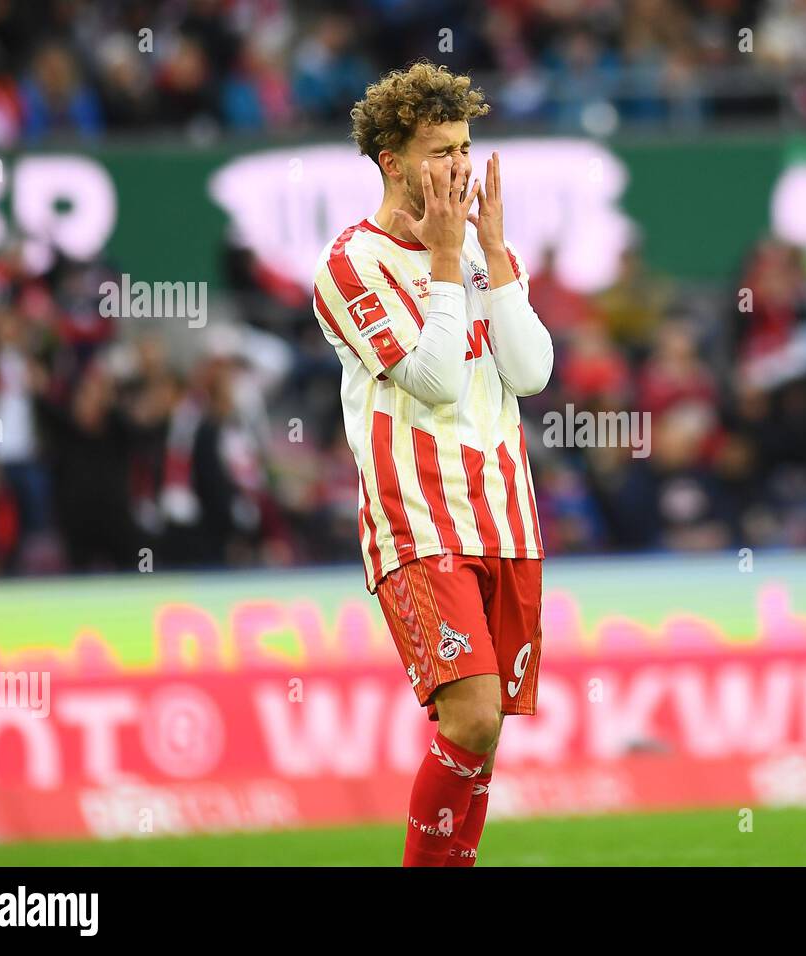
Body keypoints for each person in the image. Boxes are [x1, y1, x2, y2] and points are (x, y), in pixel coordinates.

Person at [312, 61, 552, 867]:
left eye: (466, 146)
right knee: (473, 719)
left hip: (507, 518)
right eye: (441, 150)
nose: (459, 166)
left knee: (482, 731)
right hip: (418, 522)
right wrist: (449, 263)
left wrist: (492, 257)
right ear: (392, 161)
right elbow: (438, 380)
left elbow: (531, 373)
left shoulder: (483, 252)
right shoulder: (352, 264)